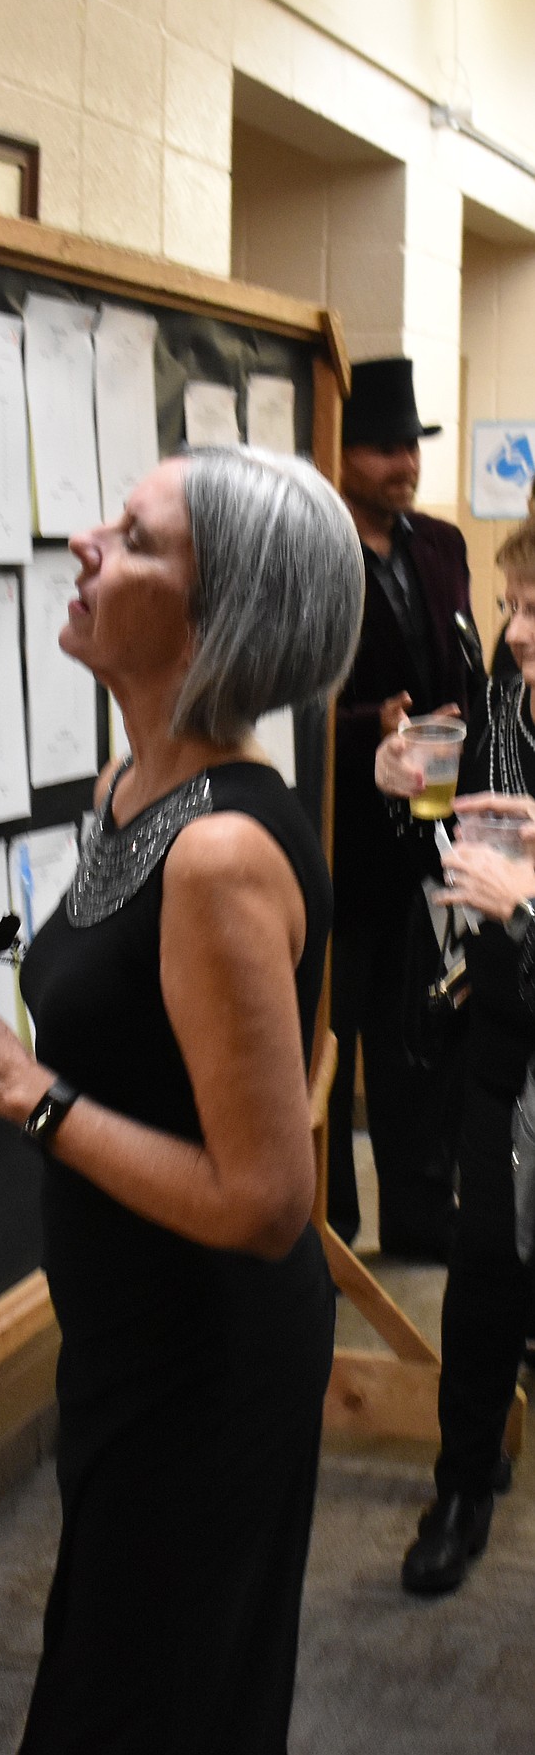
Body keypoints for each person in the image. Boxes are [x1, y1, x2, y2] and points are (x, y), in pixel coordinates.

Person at [0, 448, 363, 1753]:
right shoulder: (128, 793)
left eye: (134, 538)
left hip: (205, 1358)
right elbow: (139, 1049)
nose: (83, 543)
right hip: (127, 1338)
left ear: (216, 618)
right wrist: (2, 1071)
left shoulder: (219, 853)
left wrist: (30, 1093)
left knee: (141, 1704)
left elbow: (270, 1201)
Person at [375, 516, 535, 1595]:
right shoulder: (492, 709)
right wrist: (402, 782)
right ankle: (464, 1482)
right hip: (503, 1033)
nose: (518, 633)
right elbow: (441, 816)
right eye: (515, 605)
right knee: (482, 1276)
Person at [328, 356, 484, 1260]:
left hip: (433, 827)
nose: (405, 465)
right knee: (335, 1031)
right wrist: (364, 726)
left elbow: (460, 659)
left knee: (425, 1023)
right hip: (344, 840)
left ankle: (422, 1218)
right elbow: (291, 697)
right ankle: (336, 1225)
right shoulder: (313, 549)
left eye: (411, 447)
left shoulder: (440, 545)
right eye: (385, 449)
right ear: (343, 454)